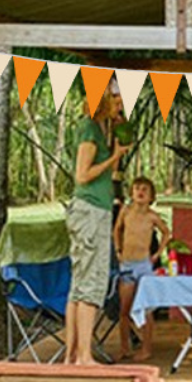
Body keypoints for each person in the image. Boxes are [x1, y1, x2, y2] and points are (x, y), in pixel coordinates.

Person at [64, 81, 129, 366]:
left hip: (95, 209)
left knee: (79, 285)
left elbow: (109, 174)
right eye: (116, 99)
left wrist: (116, 145)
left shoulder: (101, 128)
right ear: (103, 97)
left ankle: (72, 356)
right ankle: (83, 356)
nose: (121, 104)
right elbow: (82, 174)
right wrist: (113, 156)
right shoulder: (89, 128)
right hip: (89, 210)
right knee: (90, 284)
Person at [113, 176, 171, 361]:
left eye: (145, 190)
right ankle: (124, 347)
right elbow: (117, 230)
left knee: (146, 308)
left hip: (144, 265)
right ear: (131, 192)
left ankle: (146, 348)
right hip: (127, 264)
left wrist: (158, 254)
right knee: (125, 309)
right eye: (137, 188)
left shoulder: (152, 216)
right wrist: (118, 250)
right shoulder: (126, 211)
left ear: (151, 196)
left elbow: (167, 233)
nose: (140, 192)